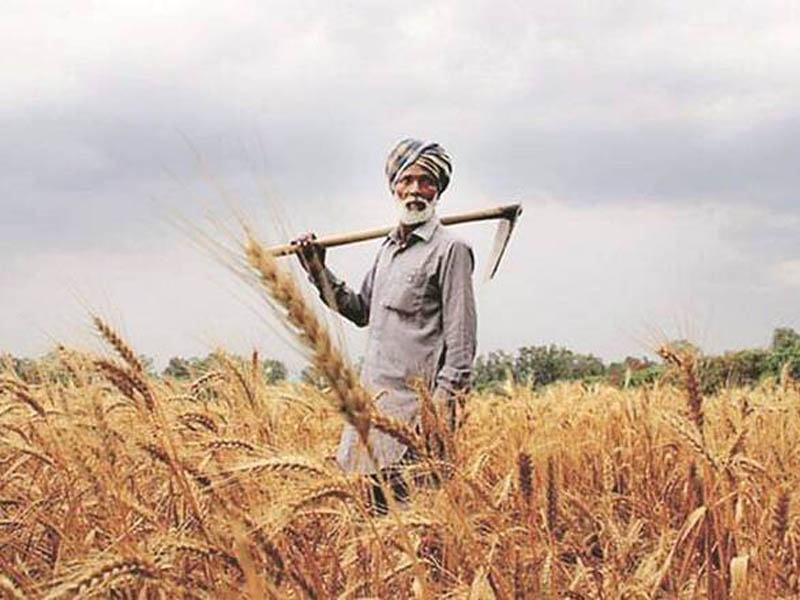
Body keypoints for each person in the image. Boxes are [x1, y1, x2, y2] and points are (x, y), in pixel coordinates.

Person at [292, 138, 477, 512]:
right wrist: (316, 268)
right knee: (368, 533)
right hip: (370, 420)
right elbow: (360, 310)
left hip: (414, 428)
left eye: (425, 181)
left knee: (413, 539)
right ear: (394, 187)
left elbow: (460, 352)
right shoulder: (388, 250)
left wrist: (436, 421)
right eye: (406, 180)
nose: (414, 190)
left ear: (438, 189)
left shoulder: (450, 250)